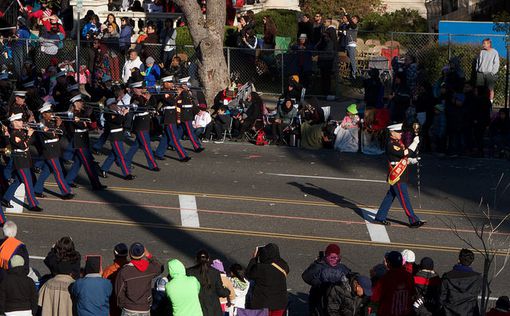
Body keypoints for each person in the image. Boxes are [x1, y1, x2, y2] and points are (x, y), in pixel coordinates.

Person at [373, 123, 425, 228]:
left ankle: (380, 217)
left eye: (401, 131)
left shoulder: (398, 142)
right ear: (392, 133)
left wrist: (411, 160)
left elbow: (401, 158)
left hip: (401, 174)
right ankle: (413, 220)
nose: (401, 133)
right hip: (398, 176)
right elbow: (404, 153)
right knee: (404, 199)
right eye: (398, 132)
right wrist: (414, 143)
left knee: (390, 196)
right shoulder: (391, 145)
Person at [2, 111, 42, 213]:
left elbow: (30, 142)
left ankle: (6, 199)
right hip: (20, 161)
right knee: (28, 183)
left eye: (21, 120)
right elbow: (24, 146)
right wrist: (28, 135)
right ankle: (33, 204)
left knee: (18, 181)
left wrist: (30, 132)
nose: (21, 122)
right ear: (14, 122)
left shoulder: (20, 131)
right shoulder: (14, 134)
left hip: (25, 160)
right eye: (19, 120)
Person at [64, 95, 106, 190]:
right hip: (79, 141)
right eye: (80, 102)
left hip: (84, 140)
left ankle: (68, 181)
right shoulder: (72, 114)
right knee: (89, 164)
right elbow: (78, 127)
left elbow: (91, 126)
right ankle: (96, 184)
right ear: (75, 103)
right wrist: (87, 115)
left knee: (78, 163)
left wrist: (91, 115)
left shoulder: (81, 112)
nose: (82, 103)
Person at [33, 102, 74, 200]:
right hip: (50, 151)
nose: (51, 114)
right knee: (58, 172)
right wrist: (58, 125)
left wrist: (59, 125)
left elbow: (60, 134)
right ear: (43, 114)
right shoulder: (42, 124)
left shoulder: (50, 122)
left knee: (46, 172)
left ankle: (37, 190)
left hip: (54, 149)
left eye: (51, 111)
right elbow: (51, 135)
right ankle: (65, 192)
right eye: (49, 112)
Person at [302, 243, 351, 315]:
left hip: (318, 298)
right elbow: (349, 280)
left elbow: (305, 276)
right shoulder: (342, 268)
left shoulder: (319, 265)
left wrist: (317, 282)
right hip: (335, 301)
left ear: (326, 253)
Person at [115, 242, 163, 316]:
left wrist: (122, 305)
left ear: (130, 255)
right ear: (143, 254)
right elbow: (160, 267)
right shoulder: (149, 269)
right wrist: (148, 255)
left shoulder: (124, 271)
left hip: (129, 308)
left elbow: (119, 293)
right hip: (144, 308)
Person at [246, 243, 289, 316]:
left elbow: (249, 274)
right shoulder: (284, 265)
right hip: (279, 304)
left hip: (262, 304)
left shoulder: (260, 268)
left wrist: (254, 258)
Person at [186, 250, 230, 316]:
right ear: (208, 259)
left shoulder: (189, 272)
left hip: (197, 307)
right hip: (213, 309)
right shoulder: (215, 272)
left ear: (196, 259)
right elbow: (220, 292)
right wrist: (227, 291)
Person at [371, 251, 415, 316]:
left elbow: (374, 297)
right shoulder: (409, 277)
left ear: (388, 263)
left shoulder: (385, 279)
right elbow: (412, 293)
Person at [440, 249, 482, 316]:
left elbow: (442, 297)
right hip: (468, 312)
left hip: (449, 312)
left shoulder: (447, 276)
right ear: (472, 262)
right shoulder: (477, 277)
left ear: (459, 260)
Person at [103, 243, 129, 316]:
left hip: (113, 306)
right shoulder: (131, 269)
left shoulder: (108, 271)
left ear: (114, 253)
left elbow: (104, 291)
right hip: (128, 305)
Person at [476, 38, 500, 104]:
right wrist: (477, 69)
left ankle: (490, 103)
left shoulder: (495, 52)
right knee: (480, 89)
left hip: (490, 74)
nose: (483, 45)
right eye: (483, 43)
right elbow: (478, 61)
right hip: (480, 73)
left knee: (490, 89)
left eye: (484, 43)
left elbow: (496, 63)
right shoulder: (481, 52)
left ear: (489, 44)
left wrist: (492, 73)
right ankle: (480, 103)